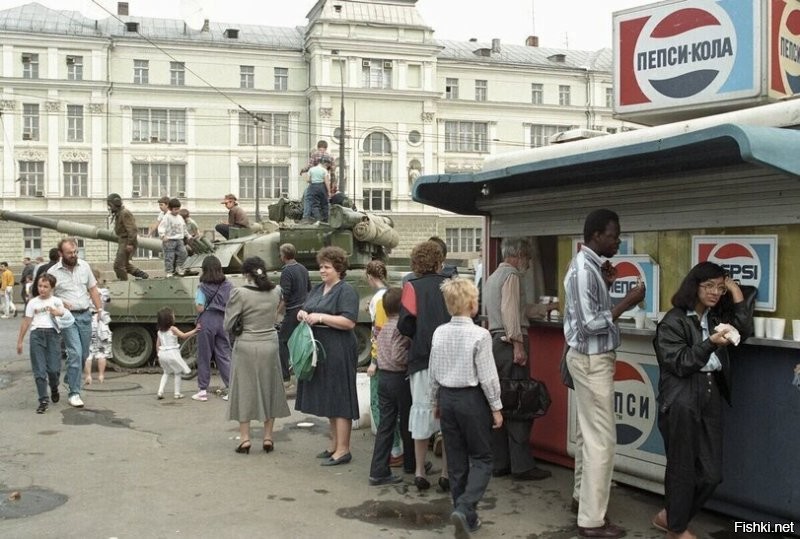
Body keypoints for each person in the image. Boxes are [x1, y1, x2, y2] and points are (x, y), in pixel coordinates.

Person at [652, 262, 752, 539]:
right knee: (682, 467)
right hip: (682, 395)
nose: (715, 292)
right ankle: (677, 528)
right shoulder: (674, 320)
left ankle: (670, 517)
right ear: (693, 286)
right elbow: (680, 363)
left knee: (711, 474)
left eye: (719, 287)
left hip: (711, 392)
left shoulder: (715, 314)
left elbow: (743, 330)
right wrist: (710, 343)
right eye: (709, 286)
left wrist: (735, 291)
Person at [563, 209, 645, 539]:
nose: (619, 240)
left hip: (588, 358)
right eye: (614, 235)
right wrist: (627, 301)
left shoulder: (591, 268)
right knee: (602, 442)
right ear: (596, 236)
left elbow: (591, 313)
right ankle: (591, 521)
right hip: (592, 360)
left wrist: (608, 286)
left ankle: (582, 499)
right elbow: (591, 324)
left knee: (588, 436)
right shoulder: (584, 270)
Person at [429, 277, 503, 537]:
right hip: (472, 400)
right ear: (472, 304)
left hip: (447, 399)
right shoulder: (480, 335)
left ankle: (466, 517)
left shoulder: (439, 332)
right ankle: (465, 506)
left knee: (457, 460)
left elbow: (433, 371)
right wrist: (496, 407)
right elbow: (488, 376)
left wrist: (434, 400)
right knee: (482, 457)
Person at [484, 237, 552, 481]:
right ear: (518, 255)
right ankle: (522, 465)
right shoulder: (512, 275)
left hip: (495, 344)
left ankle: (500, 462)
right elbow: (511, 312)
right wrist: (518, 345)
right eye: (528, 257)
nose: (529, 262)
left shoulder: (493, 278)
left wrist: (545, 308)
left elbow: (516, 308)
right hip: (510, 343)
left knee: (501, 401)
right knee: (520, 402)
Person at [295, 246, 359, 466]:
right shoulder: (318, 288)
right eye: (321, 266)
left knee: (340, 398)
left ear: (338, 268)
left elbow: (349, 322)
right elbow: (306, 308)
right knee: (330, 397)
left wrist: (321, 317)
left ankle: (343, 450)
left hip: (339, 349)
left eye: (327, 267)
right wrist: (302, 313)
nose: (322, 270)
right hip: (322, 350)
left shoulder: (346, 290)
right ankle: (334, 445)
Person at [398, 240, 452, 491]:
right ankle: (446, 473)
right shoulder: (450, 286)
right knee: (448, 416)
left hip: (421, 357)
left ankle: (420, 471)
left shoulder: (411, 287)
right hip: (450, 359)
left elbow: (405, 324)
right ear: (439, 261)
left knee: (421, 411)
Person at [224, 256, 290, 454]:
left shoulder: (239, 293)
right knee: (270, 388)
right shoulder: (276, 291)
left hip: (246, 345)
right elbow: (279, 315)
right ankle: (268, 437)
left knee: (244, 390)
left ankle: (245, 439)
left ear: (246, 273)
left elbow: (228, 324)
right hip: (270, 343)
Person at [48, 238, 104, 408]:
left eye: (75, 252)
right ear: (60, 254)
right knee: (76, 353)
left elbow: (92, 288)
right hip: (67, 318)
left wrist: (99, 309)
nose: (73, 256)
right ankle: (74, 392)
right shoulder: (53, 272)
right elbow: (47, 296)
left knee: (84, 354)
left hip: (85, 315)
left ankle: (70, 377)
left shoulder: (84, 266)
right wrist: (60, 302)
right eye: (69, 253)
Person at [368, 287, 414, 486]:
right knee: (407, 423)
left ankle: (378, 470)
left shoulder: (384, 326)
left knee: (386, 425)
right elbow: (397, 354)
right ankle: (411, 463)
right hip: (398, 378)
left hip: (384, 378)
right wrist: (410, 358)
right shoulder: (400, 328)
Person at [365, 261, 403, 471]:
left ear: (369, 276)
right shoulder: (387, 295)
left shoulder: (378, 299)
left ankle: (394, 451)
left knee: (379, 407)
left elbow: (377, 332)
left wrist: (374, 361)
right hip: (392, 361)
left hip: (383, 363)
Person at [16, 274, 67, 414]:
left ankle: (54, 386)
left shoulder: (56, 301)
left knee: (54, 369)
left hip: (53, 336)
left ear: (52, 288)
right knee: (39, 370)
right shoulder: (33, 303)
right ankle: (43, 400)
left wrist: (58, 312)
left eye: (46, 287)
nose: (42, 289)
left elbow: (64, 316)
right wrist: (20, 340)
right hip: (37, 335)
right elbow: (26, 321)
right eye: (39, 286)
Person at [193, 255, 233, 402]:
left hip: (207, 320)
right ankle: (232, 389)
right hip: (223, 321)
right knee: (224, 355)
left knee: (204, 355)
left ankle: (202, 390)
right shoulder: (228, 285)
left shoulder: (202, 287)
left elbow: (200, 307)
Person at [277, 243, 310, 383]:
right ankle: (302, 370)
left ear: (283, 256)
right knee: (301, 341)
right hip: (304, 309)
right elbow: (309, 288)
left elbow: (286, 295)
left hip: (292, 311)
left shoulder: (286, 271)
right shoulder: (302, 268)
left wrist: (277, 312)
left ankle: (285, 376)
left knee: (282, 341)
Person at [155, 307, 199, 400]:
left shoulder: (160, 331)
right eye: (173, 315)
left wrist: (159, 355)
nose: (174, 317)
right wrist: (195, 330)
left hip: (162, 354)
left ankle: (160, 391)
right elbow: (183, 336)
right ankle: (177, 393)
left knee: (166, 373)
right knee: (177, 372)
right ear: (169, 319)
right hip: (172, 354)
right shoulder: (173, 329)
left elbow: (157, 344)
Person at [107, 193, 149, 280]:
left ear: (116, 203)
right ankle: (143, 275)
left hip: (126, 241)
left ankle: (124, 284)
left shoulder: (124, 213)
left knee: (118, 266)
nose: (110, 207)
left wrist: (130, 244)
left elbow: (132, 230)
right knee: (125, 264)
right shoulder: (120, 213)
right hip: (123, 241)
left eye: (110, 205)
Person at [84, 270, 112, 385]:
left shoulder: (84, 293)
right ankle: (101, 375)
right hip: (100, 321)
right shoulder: (103, 292)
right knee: (102, 351)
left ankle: (88, 376)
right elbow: (109, 301)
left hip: (87, 320)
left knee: (88, 352)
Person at [158, 198, 189, 277]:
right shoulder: (167, 217)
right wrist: (162, 235)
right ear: (170, 209)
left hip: (179, 239)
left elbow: (184, 228)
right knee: (169, 256)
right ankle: (169, 271)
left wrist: (188, 236)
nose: (177, 211)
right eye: (175, 209)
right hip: (169, 240)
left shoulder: (180, 218)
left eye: (178, 209)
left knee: (183, 253)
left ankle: (179, 267)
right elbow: (161, 227)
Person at [302, 156, 332, 223]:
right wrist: (329, 192)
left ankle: (314, 219)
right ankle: (325, 220)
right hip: (322, 187)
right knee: (324, 204)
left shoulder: (311, 170)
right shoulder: (324, 170)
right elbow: (327, 182)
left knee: (312, 203)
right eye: (327, 166)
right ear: (325, 164)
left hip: (312, 187)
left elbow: (308, 180)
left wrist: (313, 181)